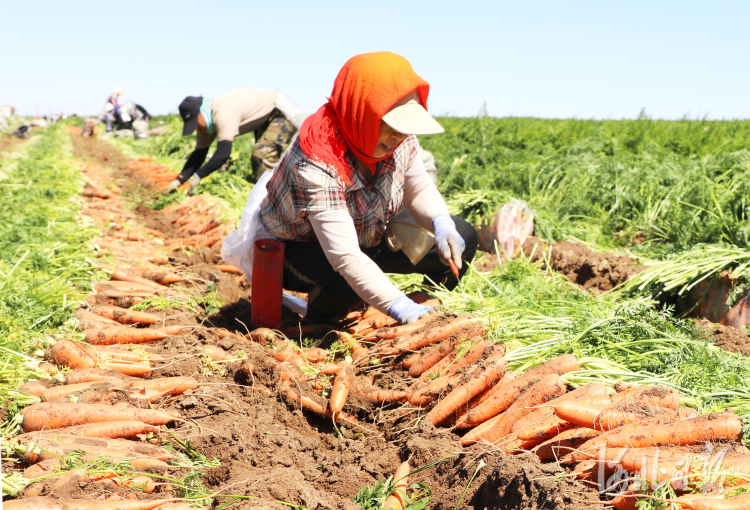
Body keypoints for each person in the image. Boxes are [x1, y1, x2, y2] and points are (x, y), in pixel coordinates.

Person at [226, 52, 478, 325]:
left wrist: (441, 223)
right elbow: (344, 255)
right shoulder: (316, 158)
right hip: (300, 249)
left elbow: (418, 190)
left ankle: (430, 310)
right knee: (344, 285)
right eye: (392, 125)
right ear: (364, 113)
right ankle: (316, 325)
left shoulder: (400, 140)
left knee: (464, 237)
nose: (399, 135)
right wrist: (398, 307)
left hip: (366, 235)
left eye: (404, 127)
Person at [165, 88, 308, 194]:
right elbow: (198, 156)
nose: (196, 129)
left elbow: (223, 154)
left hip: (277, 111)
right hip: (262, 119)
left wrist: (199, 175)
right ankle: (266, 194)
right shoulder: (206, 125)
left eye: (195, 123)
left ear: (200, 113)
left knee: (262, 153)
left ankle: (273, 197)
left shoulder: (222, 113)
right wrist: (178, 181)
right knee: (263, 160)